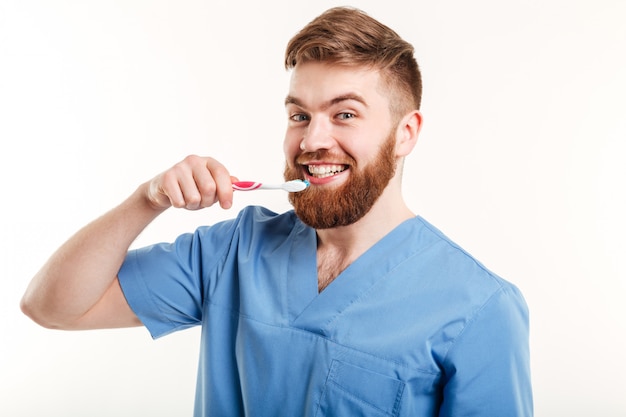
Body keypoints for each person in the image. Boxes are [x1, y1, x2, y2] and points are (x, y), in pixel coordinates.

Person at [21, 6, 533, 416]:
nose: (312, 139)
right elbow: (51, 307)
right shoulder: (232, 251)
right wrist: (146, 199)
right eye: (299, 115)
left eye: (345, 114)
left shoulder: (481, 310)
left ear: (406, 133)